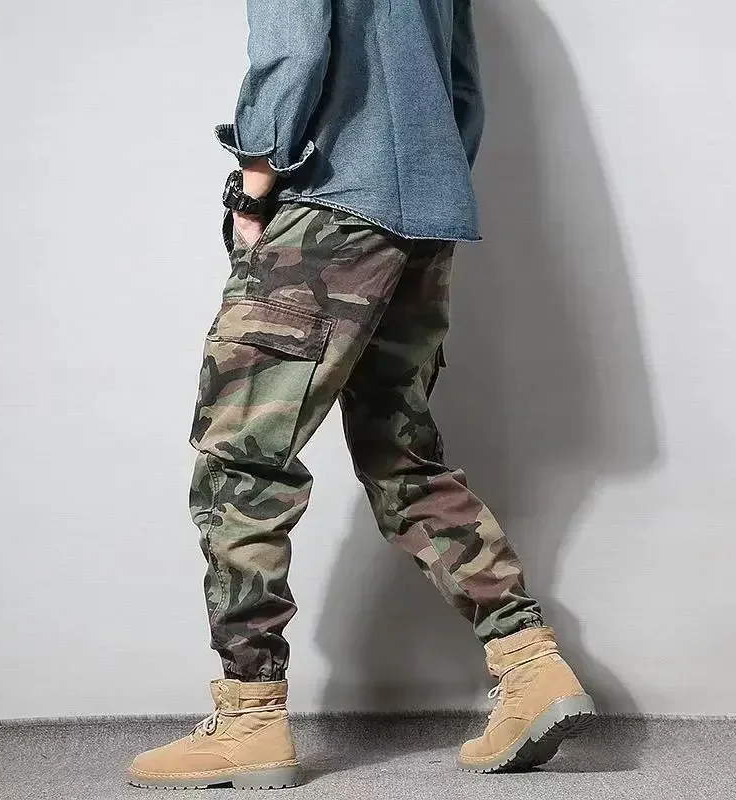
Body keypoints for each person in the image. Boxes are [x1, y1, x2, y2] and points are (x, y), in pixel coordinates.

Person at [129, 0, 596, 790]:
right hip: (425, 217)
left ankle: (250, 719)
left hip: (328, 211)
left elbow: (293, 49)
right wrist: (426, 192)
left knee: (241, 462)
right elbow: (462, 85)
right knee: (402, 458)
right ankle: (531, 666)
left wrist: (253, 189)